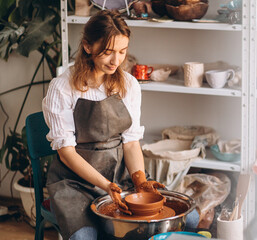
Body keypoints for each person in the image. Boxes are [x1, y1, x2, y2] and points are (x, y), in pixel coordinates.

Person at [42, 10, 165, 239]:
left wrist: (140, 180)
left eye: (122, 52)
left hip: (118, 176)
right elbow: (67, 153)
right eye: (108, 52)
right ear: (88, 46)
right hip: (75, 183)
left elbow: (130, 143)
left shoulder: (128, 84)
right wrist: (105, 186)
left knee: (134, 228)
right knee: (84, 237)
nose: (116, 61)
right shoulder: (62, 88)